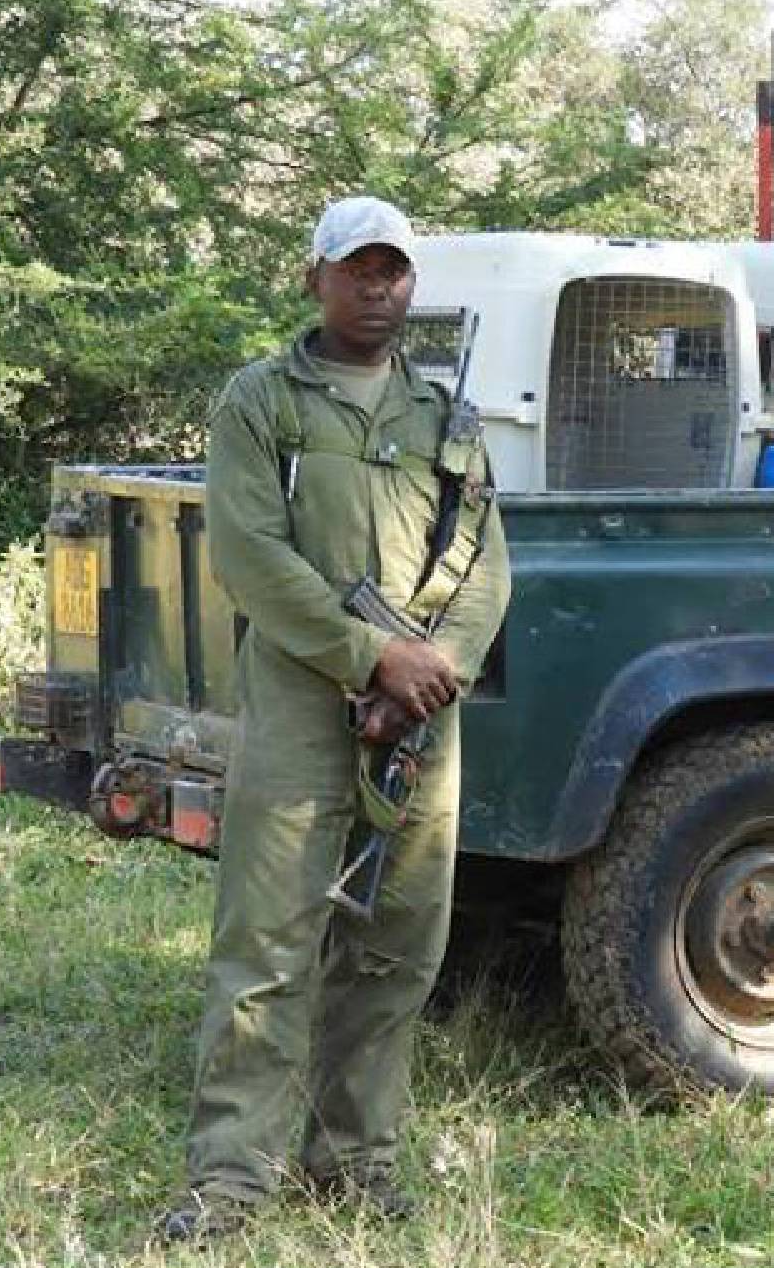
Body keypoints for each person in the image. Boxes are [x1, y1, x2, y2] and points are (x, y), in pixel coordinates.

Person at [159, 196, 512, 1241]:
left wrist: (432, 671)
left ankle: (354, 1163)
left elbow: (487, 570)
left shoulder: (446, 417)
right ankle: (230, 1180)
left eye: (393, 269)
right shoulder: (261, 399)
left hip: (420, 717)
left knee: (394, 947)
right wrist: (370, 656)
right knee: (266, 944)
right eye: (357, 268)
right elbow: (250, 556)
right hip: (300, 707)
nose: (377, 287)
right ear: (314, 276)